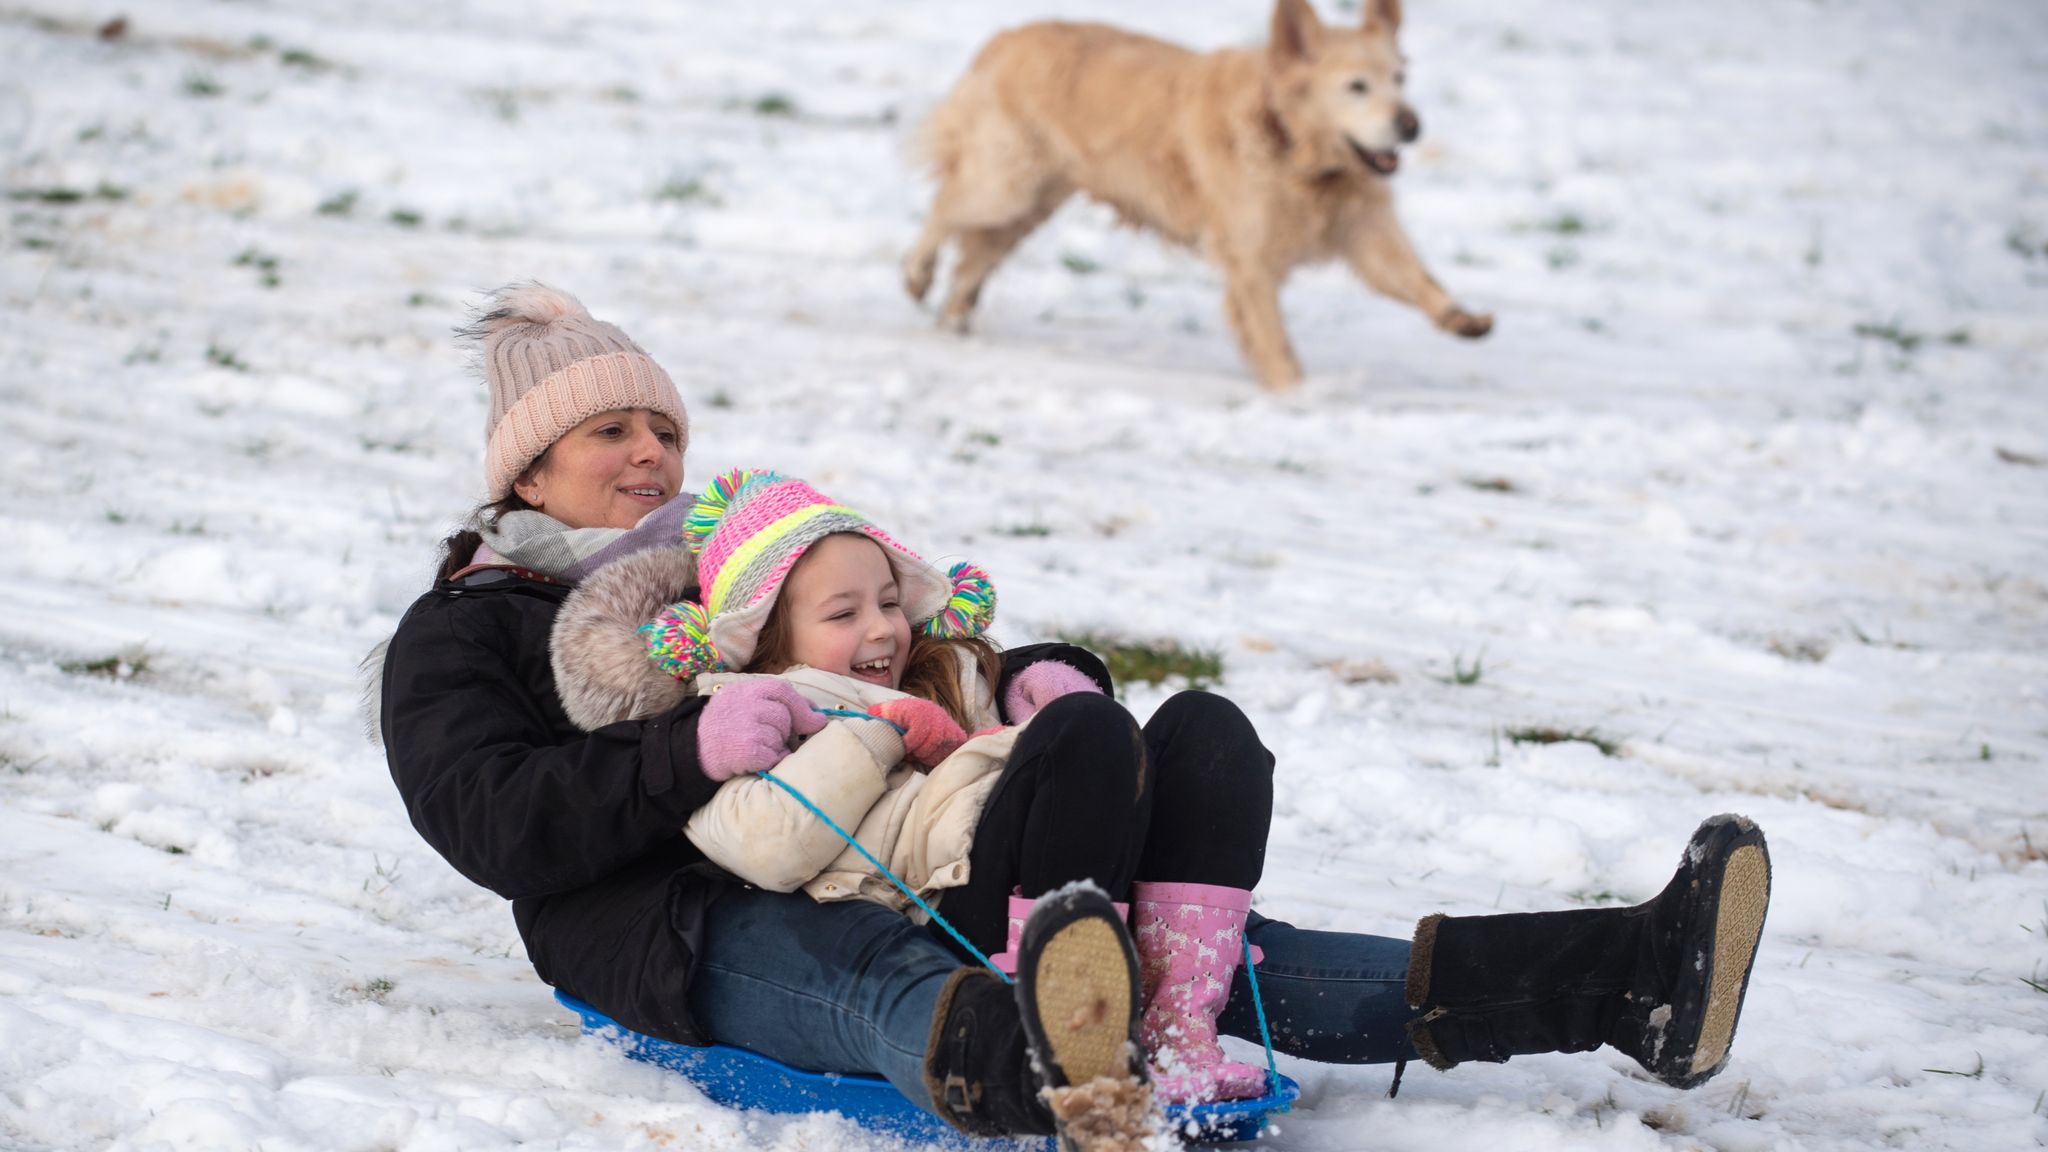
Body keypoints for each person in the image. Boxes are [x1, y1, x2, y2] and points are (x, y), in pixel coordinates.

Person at [373, 282, 1774, 1148]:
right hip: (678, 915)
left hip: (906, 830)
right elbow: (493, 823)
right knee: (896, 985)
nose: (649, 455)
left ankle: (1626, 978)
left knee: (1206, 954)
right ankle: (1047, 1074)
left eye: (662, 429)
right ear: (527, 468)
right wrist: (682, 750)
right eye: (611, 434)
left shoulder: (725, 555)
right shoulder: (463, 631)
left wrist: (1043, 672)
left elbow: (892, 632)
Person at [549, 464, 1272, 1103]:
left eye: (890, 602)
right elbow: (766, 848)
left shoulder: (945, 679)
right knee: (1088, 732)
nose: (883, 628)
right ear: (766, 636)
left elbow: (1027, 753)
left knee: (1205, 728)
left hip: (1042, 872)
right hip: (945, 917)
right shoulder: (748, 720)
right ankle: (1061, 1025)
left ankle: (1179, 1030)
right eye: (844, 612)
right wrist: (878, 731)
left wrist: (1031, 699)